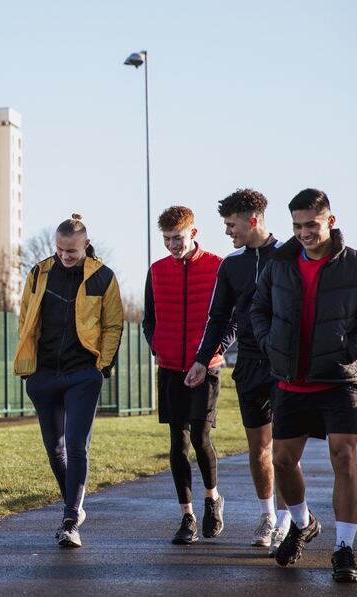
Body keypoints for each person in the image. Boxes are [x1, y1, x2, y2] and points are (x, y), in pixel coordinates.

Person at [250, 189, 357, 582]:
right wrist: (268, 340)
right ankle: (303, 521)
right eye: (297, 225)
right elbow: (258, 309)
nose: (304, 232)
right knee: (281, 461)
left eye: (311, 224)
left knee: (343, 457)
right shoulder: (279, 264)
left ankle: (344, 548)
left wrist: (355, 346)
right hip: (291, 377)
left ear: (330, 220)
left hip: (340, 378)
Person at [185, 189, 291, 554]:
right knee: (260, 449)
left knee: (285, 452)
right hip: (248, 366)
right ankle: (268, 517)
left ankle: (289, 521)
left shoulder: (291, 257)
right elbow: (218, 319)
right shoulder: (231, 265)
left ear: (253, 220)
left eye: (232, 225)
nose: (228, 232)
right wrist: (202, 359)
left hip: (286, 365)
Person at [13, 214, 124, 548]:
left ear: (85, 245)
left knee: (76, 445)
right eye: (60, 250)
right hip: (44, 374)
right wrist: (31, 371)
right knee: (55, 449)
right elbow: (25, 318)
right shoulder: (39, 272)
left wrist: (101, 367)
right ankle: (74, 503)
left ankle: (71, 518)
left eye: (72, 251)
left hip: (82, 374)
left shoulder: (103, 277)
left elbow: (113, 325)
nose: (65, 256)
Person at [143, 205, 232, 545]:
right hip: (170, 369)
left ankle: (212, 499)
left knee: (200, 439)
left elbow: (230, 321)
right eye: (166, 239)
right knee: (177, 444)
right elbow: (148, 320)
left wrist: (209, 354)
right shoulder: (156, 270)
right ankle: (187, 516)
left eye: (177, 238)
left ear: (193, 233)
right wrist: (157, 347)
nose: (172, 245)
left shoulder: (217, 267)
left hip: (205, 367)